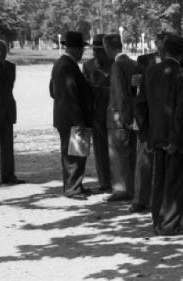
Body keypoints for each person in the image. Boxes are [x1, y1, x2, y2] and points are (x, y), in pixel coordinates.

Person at [135, 35, 183, 235]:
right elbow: (182, 110)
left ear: (164, 50)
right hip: (175, 137)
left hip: (156, 135)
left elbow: (141, 105)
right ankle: (169, 223)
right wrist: (175, 139)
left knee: (159, 179)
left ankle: (157, 221)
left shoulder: (150, 72)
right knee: (176, 181)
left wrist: (145, 134)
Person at [49, 31, 94, 200]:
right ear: (74, 49)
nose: (83, 52)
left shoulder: (60, 63)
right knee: (73, 154)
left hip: (64, 116)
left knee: (76, 153)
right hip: (72, 118)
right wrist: (79, 121)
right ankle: (72, 188)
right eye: (81, 48)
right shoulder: (68, 65)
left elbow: (52, 90)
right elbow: (70, 96)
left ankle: (75, 184)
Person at [128, 32, 169, 213]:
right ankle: (140, 199)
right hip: (147, 115)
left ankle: (163, 199)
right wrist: (133, 83)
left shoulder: (178, 61)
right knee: (144, 158)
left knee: (167, 159)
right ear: (155, 43)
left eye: (166, 43)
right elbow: (135, 89)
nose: (163, 46)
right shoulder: (144, 60)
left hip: (168, 117)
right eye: (161, 42)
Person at [103, 34, 137, 202]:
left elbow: (120, 94)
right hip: (133, 114)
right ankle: (132, 186)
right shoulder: (133, 63)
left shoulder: (117, 66)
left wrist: (124, 116)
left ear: (108, 47)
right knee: (130, 154)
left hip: (119, 116)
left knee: (118, 154)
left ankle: (121, 189)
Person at [0, 39, 24, 187]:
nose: (0, 53)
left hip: (7, 111)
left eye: (3, 50)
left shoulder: (11, 67)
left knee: (8, 146)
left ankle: (8, 176)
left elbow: (8, 89)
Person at [82, 34, 113, 192]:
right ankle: (105, 181)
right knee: (100, 149)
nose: (96, 53)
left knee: (116, 147)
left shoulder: (116, 64)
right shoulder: (88, 66)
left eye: (99, 50)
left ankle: (118, 179)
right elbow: (85, 90)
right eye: (94, 50)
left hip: (115, 112)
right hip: (97, 112)